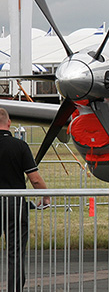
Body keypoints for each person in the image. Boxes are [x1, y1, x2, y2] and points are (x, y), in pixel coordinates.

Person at [0, 108, 50, 291]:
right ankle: (14, 289)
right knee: (15, 251)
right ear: (9, 123)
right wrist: (45, 196)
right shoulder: (19, 146)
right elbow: (34, 178)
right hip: (15, 203)